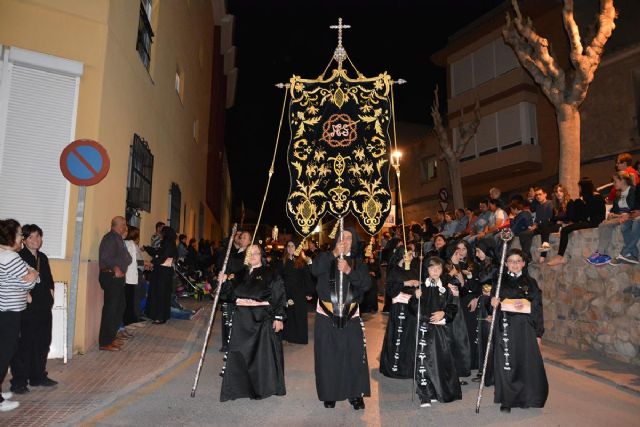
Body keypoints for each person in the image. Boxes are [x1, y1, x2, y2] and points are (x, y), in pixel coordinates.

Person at [311, 227, 371, 410]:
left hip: (350, 315)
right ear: (336, 240)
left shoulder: (358, 262)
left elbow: (366, 284)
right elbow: (314, 270)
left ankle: (355, 394)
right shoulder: (325, 257)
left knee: (353, 356)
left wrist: (348, 271)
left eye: (349, 238)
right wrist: (334, 253)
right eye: (342, 238)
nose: (345, 241)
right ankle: (330, 393)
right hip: (326, 315)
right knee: (328, 356)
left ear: (354, 242)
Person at [218, 244, 286, 401]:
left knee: (259, 358)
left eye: (256, 253)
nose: (253, 255)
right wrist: (223, 282)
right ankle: (237, 389)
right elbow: (228, 295)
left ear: (261, 255)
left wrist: (278, 317)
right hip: (241, 320)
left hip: (261, 320)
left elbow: (279, 295)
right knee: (239, 355)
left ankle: (261, 388)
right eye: (250, 253)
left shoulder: (270, 273)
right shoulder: (239, 274)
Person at [491, 249, 548, 413]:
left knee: (525, 362)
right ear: (506, 263)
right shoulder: (500, 280)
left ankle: (526, 397)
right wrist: (493, 302)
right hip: (505, 327)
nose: (514, 264)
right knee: (506, 363)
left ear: (523, 263)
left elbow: (537, 308)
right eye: (511, 261)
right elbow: (492, 303)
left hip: (525, 329)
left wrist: (538, 333)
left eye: (518, 261)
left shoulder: (531, 283)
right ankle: (507, 399)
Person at [10, 224, 57, 394]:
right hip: (27, 309)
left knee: (43, 342)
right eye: (31, 237)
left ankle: (38, 376)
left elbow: (49, 280)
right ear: (23, 240)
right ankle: (19, 381)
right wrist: (27, 298)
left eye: (38, 236)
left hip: (44, 307)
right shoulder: (18, 257)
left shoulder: (42, 257)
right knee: (25, 344)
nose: (36, 240)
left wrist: (51, 296)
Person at [410, 256, 462, 407]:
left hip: (440, 330)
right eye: (432, 268)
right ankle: (425, 394)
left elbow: (453, 306)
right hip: (424, 329)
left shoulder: (446, 288)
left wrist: (444, 313)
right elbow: (413, 308)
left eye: (438, 268)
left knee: (439, 361)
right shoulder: (421, 288)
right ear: (426, 270)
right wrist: (415, 297)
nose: (435, 271)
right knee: (423, 361)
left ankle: (437, 391)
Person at [0, 219, 38, 412]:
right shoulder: (10, 258)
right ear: (10, 237)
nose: (21, 239)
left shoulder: (4, 254)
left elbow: (32, 274)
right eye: (18, 235)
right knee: (4, 353)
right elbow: (29, 282)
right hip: (9, 313)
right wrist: (33, 273)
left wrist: (33, 272)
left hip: (3, 310)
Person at [379, 246, 419, 378]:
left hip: (412, 308)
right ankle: (396, 367)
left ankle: (409, 367)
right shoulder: (394, 270)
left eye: (412, 254)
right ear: (402, 255)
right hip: (400, 307)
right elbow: (390, 290)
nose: (412, 256)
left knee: (410, 337)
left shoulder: (414, 269)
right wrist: (405, 283)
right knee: (398, 337)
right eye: (409, 254)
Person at [547, 178, 606, 266]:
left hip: (594, 222)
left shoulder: (596, 197)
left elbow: (590, 214)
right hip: (588, 220)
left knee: (565, 230)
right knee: (577, 203)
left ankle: (560, 256)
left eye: (580, 187)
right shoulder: (589, 198)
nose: (579, 190)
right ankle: (560, 256)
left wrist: (582, 204)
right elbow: (582, 215)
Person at [587, 171, 636, 265]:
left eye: (615, 181)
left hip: (629, 216)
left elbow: (633, 208)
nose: (614, 184)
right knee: (602, 224)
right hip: (619, 216)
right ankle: (600, 251)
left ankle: (602, 253)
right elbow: (615, 208)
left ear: (622, 181)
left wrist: (618, 215)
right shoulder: (618, 194)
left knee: (606, 225)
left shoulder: (633, 191)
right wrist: (612, 213)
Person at [98, 217, 132, 351]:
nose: (126, 228)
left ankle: (111, 337)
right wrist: (115, 268)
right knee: (111, 309)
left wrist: (121, 265)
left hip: (117, 278)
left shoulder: (118, 239)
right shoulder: (111, 238)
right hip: (111, 276)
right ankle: (105, 342)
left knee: (119, 306)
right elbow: (106, 257)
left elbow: (128, 258)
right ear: (120, 225)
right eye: (125, 225)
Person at [218, 230, 251, 351]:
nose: (242, 239)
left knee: (235, 318)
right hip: (229, 288)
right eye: (240, 237)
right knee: (226, 316)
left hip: (239, 289)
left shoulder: (249, 253)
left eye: (244, 237)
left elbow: (242, 270)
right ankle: (227, 342)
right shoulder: (235, 251)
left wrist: (230, 276)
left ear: (250, 241)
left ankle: (234, 343)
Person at [279, 240, 313, 344]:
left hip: (299, 292)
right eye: (288, 246)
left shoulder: (302, 262)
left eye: (292, 246)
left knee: (298, 314)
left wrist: (309, 292)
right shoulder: (283, 261)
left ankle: (299, 338)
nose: (290, 248)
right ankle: (288, 337)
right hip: (287, 291)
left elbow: (307, 277)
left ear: (297, 247)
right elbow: (279, 276)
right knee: (288, 315)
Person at [148, 226, 177, 324]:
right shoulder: (167, 243)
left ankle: (160, 317)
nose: (160, 235)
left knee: (161, 294)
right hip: (162, 271)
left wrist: (153, 263)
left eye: (162, 233)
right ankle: (161, 315)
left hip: (163, 272)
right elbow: (158, 253)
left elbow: (163, 257)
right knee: (160, 293)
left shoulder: (169, 244)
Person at [518, 188, 553, 262]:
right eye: (536, 195)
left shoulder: (550, 203)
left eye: (540, 194)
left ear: (545, 194)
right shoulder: (538, 206)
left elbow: (548, 217)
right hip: (539, 226)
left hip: (549, 225)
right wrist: (534, 225)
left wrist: (536, 224)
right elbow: (536, 217)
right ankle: (527, 255)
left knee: (545, 227)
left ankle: (543, 254)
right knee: (524, 234)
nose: (538, 196)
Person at [123, 226, 147, 325]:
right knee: (135, 297)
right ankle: (134, 317)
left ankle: (136, 315)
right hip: (132, 274)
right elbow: (133, 260)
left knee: (137, 295)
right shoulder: (130, 244)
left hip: (136, 273)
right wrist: (145, 262)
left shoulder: (133, 245)